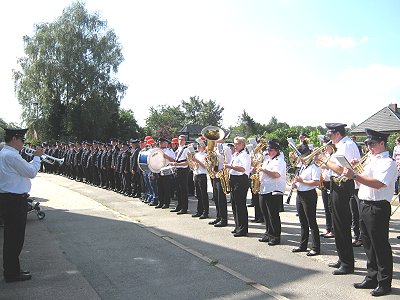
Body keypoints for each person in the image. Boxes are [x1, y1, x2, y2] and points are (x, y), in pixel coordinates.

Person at [342, 128, 396, 297]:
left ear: (382, 143)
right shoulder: (370, 160)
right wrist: (351, 169)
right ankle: (371, 277)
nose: (368, 147)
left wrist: (355, 175)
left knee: (380, 246)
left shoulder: (388, 162)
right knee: (368, 244)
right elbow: (360, 183)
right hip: (364, 204)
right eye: (367, 144)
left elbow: (379, 183)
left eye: (371, 144)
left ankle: (384, 282)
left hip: (378, 207)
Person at [0, 128, 44, 282]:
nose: (24, 143)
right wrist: (37, 157)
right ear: (14, 139)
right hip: (14, 201)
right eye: (22, 140)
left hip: (8, 199)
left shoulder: (5, 154)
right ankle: (12, 273)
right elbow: (31, 172)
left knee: (12, 237)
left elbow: (24, 171)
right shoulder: (11, 156)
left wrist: (33, 160)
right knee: (15, 238)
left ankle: (12, 270)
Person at [317, 123, 361, 275]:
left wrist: (325, 160)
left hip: (343, 186)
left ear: (337, 134)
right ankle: (342, 258)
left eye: (330, 135)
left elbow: (343, 170)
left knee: (342, 224)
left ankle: (347, 263)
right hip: (336, 186)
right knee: (337, 224)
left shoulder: (347, 145)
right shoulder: (342, 145)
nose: (329, 139)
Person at [257, 139, 286, 246]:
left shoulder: (279, 161)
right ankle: (268, 233)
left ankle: (275, 236)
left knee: (273, 215)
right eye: (268, 150)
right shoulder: (268, 160)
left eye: (272, 150)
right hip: (264, 189)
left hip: (274, 190)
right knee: (265, 213)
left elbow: (276, 174)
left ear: (277, 150)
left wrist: (263, 170)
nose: (269, 152)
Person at [291, 152, 321, 256]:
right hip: (300, 194)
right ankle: (303, 245)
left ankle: (316, 247)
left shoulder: (314, 167)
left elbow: (316, 183)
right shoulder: (302, 167)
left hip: (309, 195)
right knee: (302, 221)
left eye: (303, 157)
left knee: (311, 221)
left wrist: (302, 181)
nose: (302, 160)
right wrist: (296, 184)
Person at [224, 136, 251, 237]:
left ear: (243, 145)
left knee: (240, 205)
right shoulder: (235, 154)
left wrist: (229, 166)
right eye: (234, 143)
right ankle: (237, 226)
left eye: (237, 144)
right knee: (234, 205)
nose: (235, 146)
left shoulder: (245, 155)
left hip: (241, 180)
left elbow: (243, 169)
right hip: (234, 179)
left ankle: (243, 229)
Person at [168, 135, 190, 214]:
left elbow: (188, 162)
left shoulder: (186, 149)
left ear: (185, 141)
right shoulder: (178, 149)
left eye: (182, 139)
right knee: (178, 189)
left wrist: (177, 164)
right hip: (178, 169)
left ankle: (184, 208)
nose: (180, 141)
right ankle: (179, 205)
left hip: (183, 170)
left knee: (183, 190)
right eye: (179, 139)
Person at [191, 138, 209, 219]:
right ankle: (199, 211)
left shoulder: (206, 155)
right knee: (198, 194)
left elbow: (205, 166)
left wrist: (197, 161)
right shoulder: (197, 154)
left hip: (202, 175)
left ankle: (206, 212)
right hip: (196, 174)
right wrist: (193, 162)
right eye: (197, 145)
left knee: (203, 194)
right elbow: (194, 164)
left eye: (199, 145)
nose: (197, 146)